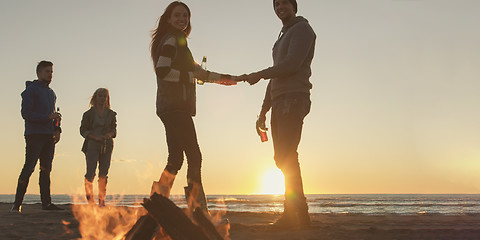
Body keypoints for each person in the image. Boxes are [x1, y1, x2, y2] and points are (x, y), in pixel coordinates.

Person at [150, 1, 235, 213]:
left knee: (176, 158)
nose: (182, 19)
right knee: (194, 156)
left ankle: (158, 203)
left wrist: (227, 78)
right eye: (177, 15)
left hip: (169, 107)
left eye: (185, 16)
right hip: (175, 106)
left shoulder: (177, 42)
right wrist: (189, 77)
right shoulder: (173, 39)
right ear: (168, 19)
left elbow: (199, 73)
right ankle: (197, 209)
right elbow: (162, 71)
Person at [237, 0, 316, 227]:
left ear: (294, 5)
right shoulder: (281, 37)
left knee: (288, 155)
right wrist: (263, 111)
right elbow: (276, 76)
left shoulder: (303, 29)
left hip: (294, 97)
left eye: (284, 3)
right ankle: (296, 214)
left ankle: (296, 215)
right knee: (281, 158)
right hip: (279, 99)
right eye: (276, 4)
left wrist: (259, 73)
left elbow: (290, 65)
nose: (280, 7)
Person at [11, 61, 64, 212]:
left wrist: (57, 129)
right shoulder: (30, 91)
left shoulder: (51, 93)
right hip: (34, 134)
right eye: (47, 71)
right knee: (29, 168)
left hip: (49, 136)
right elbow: (26, 114)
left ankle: (46, 203)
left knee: (46, 169)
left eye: (52, 72)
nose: (50, 74)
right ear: (39, 73)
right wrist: (47, 117)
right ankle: (17, 204)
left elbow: (54, 116)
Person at [80, 88, 117, 207]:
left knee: (103, 173)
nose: (102, 98)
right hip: (92, 144)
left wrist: (108, 135)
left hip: (107, 145)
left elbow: (114, 130)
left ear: (107, 98)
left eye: (104, 96)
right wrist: (94, 137)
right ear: (95, 98)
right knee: (90, 173)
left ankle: (102, 201)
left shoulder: (111, 114)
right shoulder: (88, 114)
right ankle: (90, 200)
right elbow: (83, 130)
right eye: (100, 96)